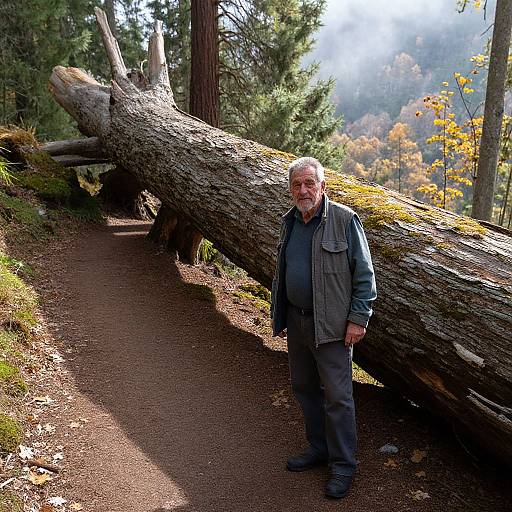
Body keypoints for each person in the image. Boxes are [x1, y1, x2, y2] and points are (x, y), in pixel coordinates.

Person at [271, 156, 377, 499]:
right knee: (304, 388)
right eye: (296, 185)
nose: (303, 190)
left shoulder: (345, 221)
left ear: (323, 186)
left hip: (332, 328)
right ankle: (319, 449)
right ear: (290, 190)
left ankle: (343, 465)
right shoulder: (290, 222)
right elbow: (285, 271)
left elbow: (364, 276)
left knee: (338, 398)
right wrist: (282, 314)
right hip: (298, 322)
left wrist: (358, 319)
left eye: (309, 183)